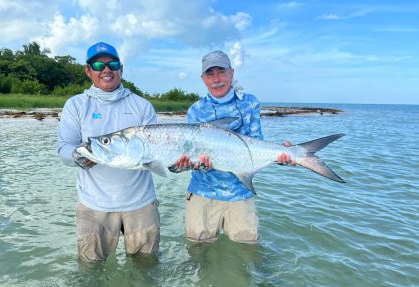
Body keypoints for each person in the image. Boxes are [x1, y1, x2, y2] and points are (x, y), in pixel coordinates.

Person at [176, 50, 293, 244]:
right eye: (210, 74)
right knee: (198, 252)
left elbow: (256, 142)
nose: (216, 79)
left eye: (221, 72)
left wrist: (282, 157)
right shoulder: (195, 110)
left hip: (240, 192)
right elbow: (192, 154)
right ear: (203, 78)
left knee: (247, 253)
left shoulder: (250, 103)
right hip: (202, 192)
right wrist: (195, 164)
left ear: (231, 72)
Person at [58, 42, 160, 263]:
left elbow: (155, 154)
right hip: (94, 206)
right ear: (88, 70)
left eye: (112, 64)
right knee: (89, 269)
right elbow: (64, 148)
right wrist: (79, 157)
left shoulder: (142, 106)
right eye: (98, 64)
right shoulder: (75, 105)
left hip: (141, 204)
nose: (106, 70)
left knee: (146, 269)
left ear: (120, 69)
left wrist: (178, 163)